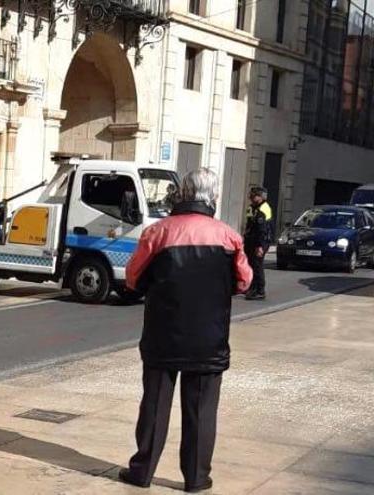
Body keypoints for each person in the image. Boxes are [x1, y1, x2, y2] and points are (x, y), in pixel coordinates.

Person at [118, 169, 253, 493]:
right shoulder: (229, 237)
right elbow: (244, 281)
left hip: (163, 334)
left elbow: (133, 277)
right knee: (202, 411)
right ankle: (195, 478)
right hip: (209, 337)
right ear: (213, 197)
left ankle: (142, 471)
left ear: (182, 194)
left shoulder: (157, 233)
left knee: (154, 404)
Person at [243, 186, 273, 300]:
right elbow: (249, 224)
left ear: (260, 197)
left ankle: (260, 290)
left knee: (257, 265)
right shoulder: (252, 207)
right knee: (251, 264)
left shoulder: (263, 208)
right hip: (251, 240)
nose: (251, 197)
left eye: (253, 195)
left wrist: (260, 246)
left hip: (260, 241)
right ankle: (252, 287)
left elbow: (262, 229)